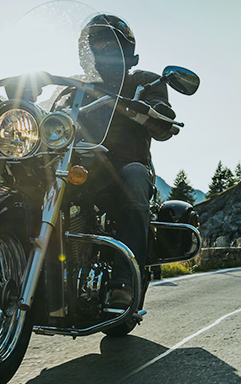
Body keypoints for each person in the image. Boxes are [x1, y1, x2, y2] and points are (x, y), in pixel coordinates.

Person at [76, 14, 179, 309]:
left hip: (124, 170)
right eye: (96, 47)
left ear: (126, 51)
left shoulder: (144, 82)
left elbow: (163, 118)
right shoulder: (78, 88)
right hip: (84, 169)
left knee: (135, 175)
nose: (102, 52)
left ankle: (124, 281)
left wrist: (155, 110)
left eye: (110, 46)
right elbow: (52, 112)